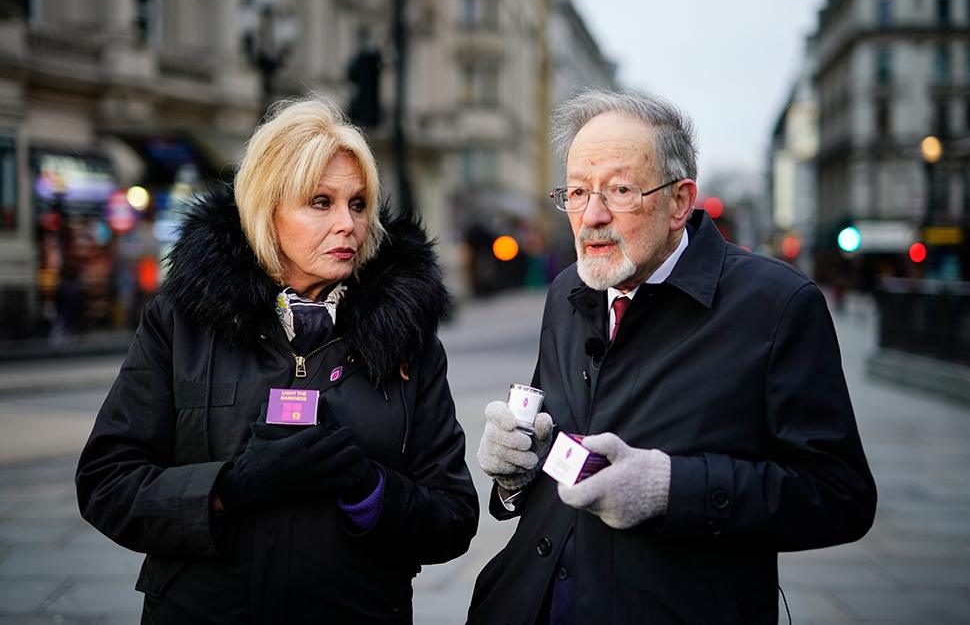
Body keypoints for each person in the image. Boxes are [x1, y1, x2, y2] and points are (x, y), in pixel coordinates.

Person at [468, 89, 876, 624]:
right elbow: (565, 445)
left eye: (618, 190)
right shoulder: (568, 290)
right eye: (575, 192)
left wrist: (672, 489)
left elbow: (839, 497)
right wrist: (520, 470)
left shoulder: (777, 306)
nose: (591, 216)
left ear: (680, 202)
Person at [76, 96, 479, 624]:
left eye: (358, 204)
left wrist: (367, 488)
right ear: (267, 210)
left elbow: (452, 516)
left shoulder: (408, 340)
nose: (348, 225)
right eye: (320, 202)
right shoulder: (183, 321)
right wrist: (228, 490)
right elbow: (107, 483)